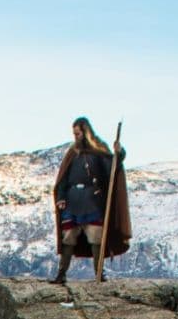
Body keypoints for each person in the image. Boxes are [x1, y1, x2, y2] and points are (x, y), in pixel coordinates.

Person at [51, 117, 130, 282]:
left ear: (85, 132)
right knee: (68, 237)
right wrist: (61, 197)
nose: (75, 137)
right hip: (72, 201)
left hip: (92, 201)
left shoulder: (99, 150)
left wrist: (119, 153)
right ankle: (61, 274)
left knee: (96, 237)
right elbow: (63, 177)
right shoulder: (73, 152)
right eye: (74, 134)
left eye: (78, 134)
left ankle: (99, 273)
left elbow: (112, 168)